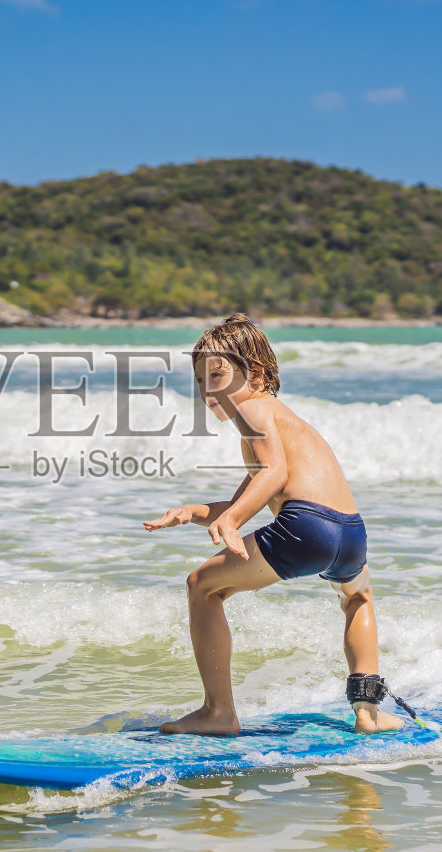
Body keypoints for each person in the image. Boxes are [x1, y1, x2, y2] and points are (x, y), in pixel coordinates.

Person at [143, 312, 414, 737]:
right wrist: (194, 512)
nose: (206, 389)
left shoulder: (252, 411)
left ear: (257, 373)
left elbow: (272, 477)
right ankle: (368, 712)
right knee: (357, 599)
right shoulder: (279, 420)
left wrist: (233, 520)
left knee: (202, 586)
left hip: (307, 526)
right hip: (349, 532)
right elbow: (254, 491)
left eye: (217, 374)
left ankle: (219, 713)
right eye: (199, 381)